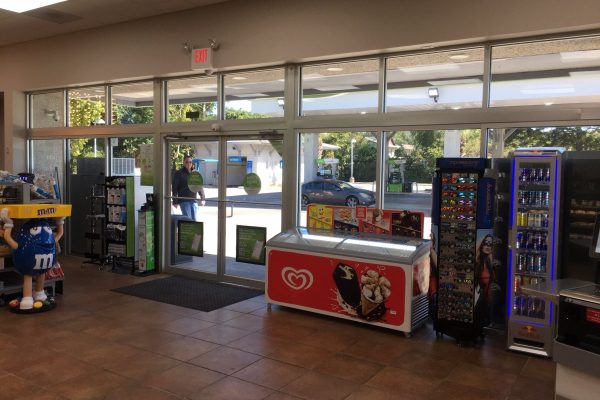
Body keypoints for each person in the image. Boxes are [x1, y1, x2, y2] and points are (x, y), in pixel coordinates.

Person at [172, 155, 205, 221]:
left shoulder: (194, 173)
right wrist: (175, 201)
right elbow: (174, 188)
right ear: (184, 162)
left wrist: (202, 197)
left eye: (190, 162)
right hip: (184, 201)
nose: (189, 164)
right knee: (188, 220)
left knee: (194, 220)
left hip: (194, 201)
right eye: (187, 162)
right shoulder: (179, 173)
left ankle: (194, 232)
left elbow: (199, 186)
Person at [474, 234, 498, 325]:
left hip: (488, 304)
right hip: (479, 304)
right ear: (481, 244)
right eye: (486, 243)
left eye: (490, 244)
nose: (488, 246)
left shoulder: (491, 262)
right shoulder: (477, 262)